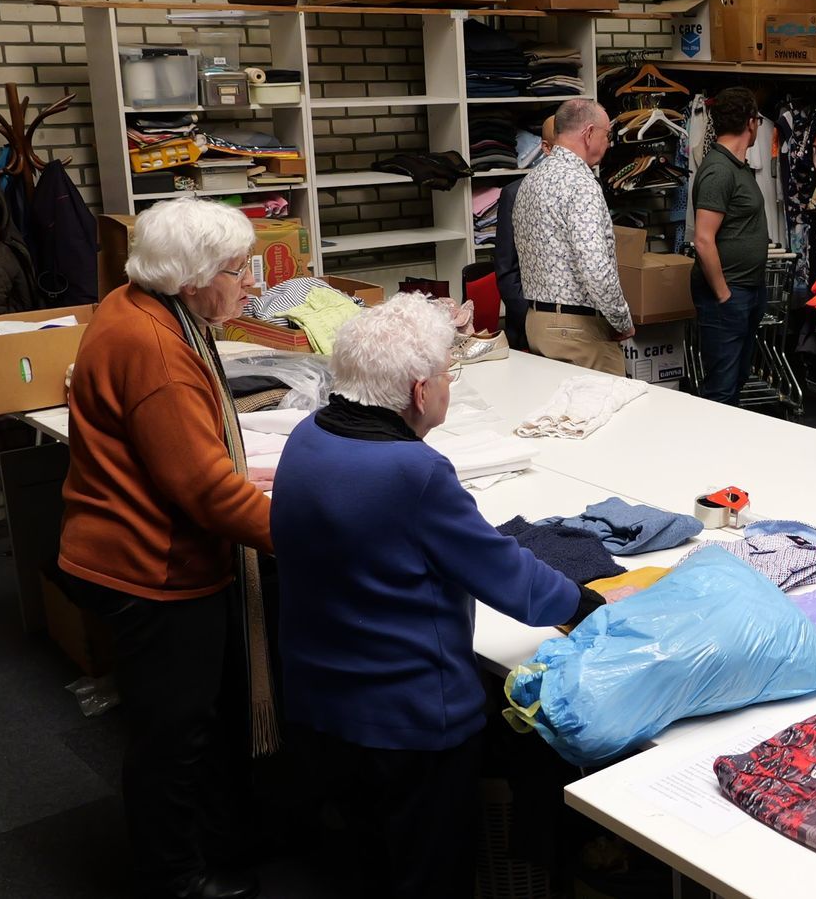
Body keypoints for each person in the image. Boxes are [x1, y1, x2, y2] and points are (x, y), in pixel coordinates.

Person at [270, 294, 607, 899]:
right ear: (420, 392)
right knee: (430, 874)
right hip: (409, 721)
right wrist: (586, 605)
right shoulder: (413, 472)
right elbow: (510, 579)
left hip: (323, 704)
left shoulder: (306, 437)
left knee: (370, 860)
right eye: (449, 374)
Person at [54, 197, 272, 899]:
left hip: (118, 545)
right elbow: (206, 493)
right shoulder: (158, 351)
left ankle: (201, 845)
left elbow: (183, 460)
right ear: (192, 278)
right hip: (151, 568)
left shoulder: (130, 303)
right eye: (237, 270)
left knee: (176, 722)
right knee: (173, 734)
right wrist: (309, 533)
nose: (250, 284)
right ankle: (173, 880)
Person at [513, 98, 634, 373]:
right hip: (578, 330)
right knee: (607, 400)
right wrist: (621, 319)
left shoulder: (531, 180)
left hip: (538, 324)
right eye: (607, 135)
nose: (609, 143)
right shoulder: (580, 184)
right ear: (589, 133)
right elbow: (596, 268)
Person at [691, 87, 771, 404]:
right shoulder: (719, 170)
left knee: (735, 381)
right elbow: (703, 239)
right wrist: (724, 294)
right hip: (728, 293)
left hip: (746, 290)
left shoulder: (736, 166)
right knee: (721, 390)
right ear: (750, 122)